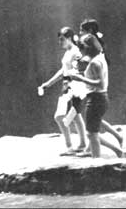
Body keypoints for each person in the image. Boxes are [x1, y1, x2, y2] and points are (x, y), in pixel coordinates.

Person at [38, 26, 87, 156]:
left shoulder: (76, 52)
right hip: (67, 88)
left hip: (74, 88)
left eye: (62, 39)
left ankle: (70, 147)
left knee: (60, 117)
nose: (60, 43)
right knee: (75, 116)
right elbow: (62, 71)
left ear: (70, 38)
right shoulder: (68, 52)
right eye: (59, 40)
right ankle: (82, 144)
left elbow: (82, 70)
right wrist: (48, 84)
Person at [79, 18, 126, 150]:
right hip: (97, 87)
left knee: (92, 125)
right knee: (94, 120)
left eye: (81, 30)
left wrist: (82, 74)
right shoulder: (94, 42)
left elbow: (93, 63)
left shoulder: (91, 44)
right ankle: (116, 138)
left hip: (97, 90)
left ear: (89, 31)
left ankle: (97, 148)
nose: (80, 32)